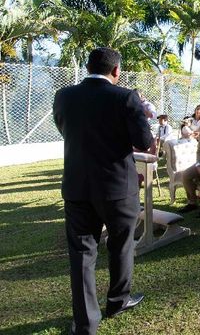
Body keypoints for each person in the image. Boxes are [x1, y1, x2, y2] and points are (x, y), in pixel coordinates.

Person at [53, 47, 154, 334]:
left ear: (87, 68)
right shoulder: (125, 97)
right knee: (121, 245)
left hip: (77, 185)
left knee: (82, 255)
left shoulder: (64, 96)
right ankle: (118, 300)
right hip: (118, 187)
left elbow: (65, 129)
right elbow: (144, 141)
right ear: (117, 71)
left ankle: (85, 324)